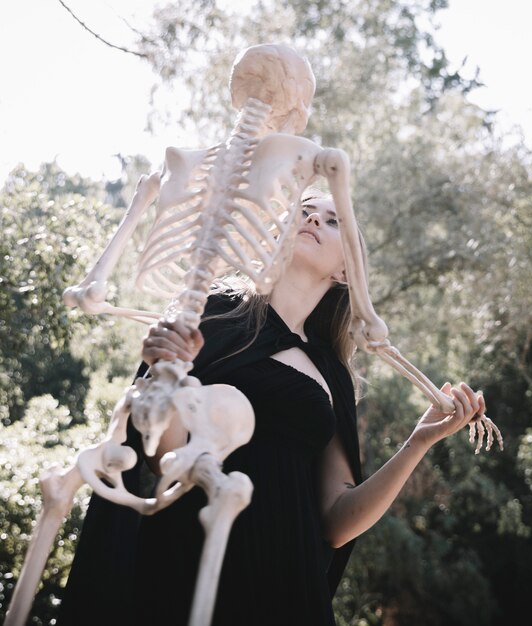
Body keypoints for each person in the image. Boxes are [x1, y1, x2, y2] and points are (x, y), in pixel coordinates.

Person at [58, 190, 484, 626]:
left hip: (288, 583)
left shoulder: (332, 373)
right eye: (304, 212)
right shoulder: (215, 315)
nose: (314, 220)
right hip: (194, 554)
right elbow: (166, 456)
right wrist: (168, 371)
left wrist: (418, 442)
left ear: (345, 270)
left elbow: (336, 523)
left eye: (332, 220)